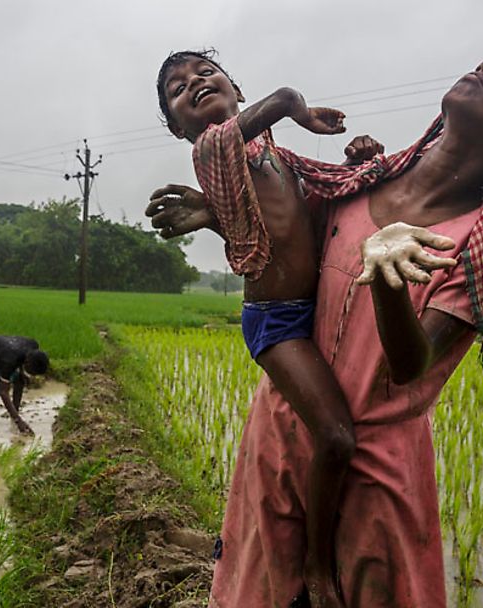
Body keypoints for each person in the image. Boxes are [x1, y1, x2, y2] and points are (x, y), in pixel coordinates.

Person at [148, 47, 483, 607]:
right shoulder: (365, 177)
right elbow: (292, 255)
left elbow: (413, 366)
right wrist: (220, 215)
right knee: (260, 588)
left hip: (371, 475)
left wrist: (385, 277)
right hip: (283, 434)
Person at [153, 49, 372, 605]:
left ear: (234, 89)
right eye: (179, 88)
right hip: (277, 324)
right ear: (180, 129)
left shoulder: (278, 157)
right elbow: (279, 103)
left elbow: (332, 199)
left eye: (205, 73)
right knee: (337, 436)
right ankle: (318, 568)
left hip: (316, 309)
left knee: (330, 435)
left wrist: (361, 160)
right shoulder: (213, 150)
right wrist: (296, 104)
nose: (196, 83)